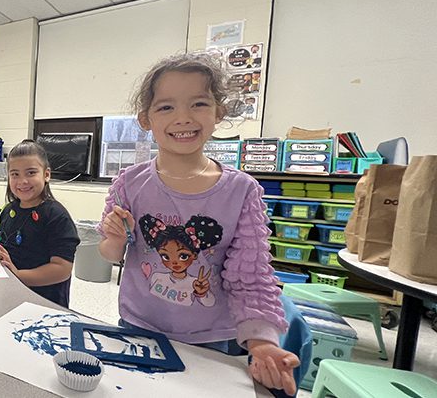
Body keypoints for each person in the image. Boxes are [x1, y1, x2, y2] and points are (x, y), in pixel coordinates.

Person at [97, 53, 299, 396]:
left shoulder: (241, 191)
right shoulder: (129, 184)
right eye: (166, 108)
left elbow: (251, 276)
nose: (184, 118)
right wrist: (115, 237)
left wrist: (262, 343)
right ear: (145, 119)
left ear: (219, 112)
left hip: (214, 338)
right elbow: (110, 252)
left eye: (199, 104)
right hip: (140, 327)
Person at [0, 140, 80, 308]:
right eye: (15, 174)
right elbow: (2, 245)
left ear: (46, 174)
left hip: (44, 303)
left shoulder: (57, 216)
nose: (22, 181)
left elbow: (62, 269)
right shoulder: (9, 210)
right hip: (10, 294)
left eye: (31, 173)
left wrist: (18, 275)